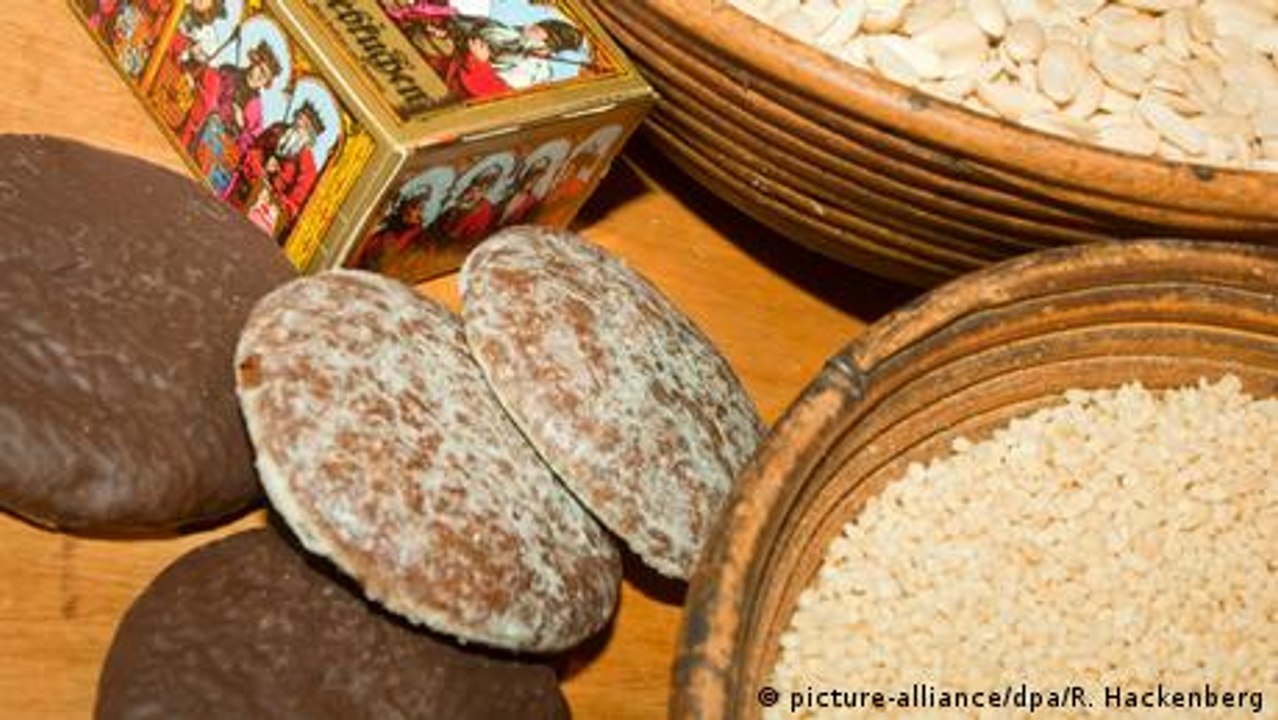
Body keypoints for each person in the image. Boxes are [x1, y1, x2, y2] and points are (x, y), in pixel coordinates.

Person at [228, 101, 324, 234]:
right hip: (243, 190)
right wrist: (261, 170)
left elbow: (294, 204)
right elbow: (254, 151)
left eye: (305, 125)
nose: (298, 124)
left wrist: (272, 196)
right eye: (298, 118)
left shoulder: (308, 164)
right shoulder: (277, 130)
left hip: (263, 214)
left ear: (309, 136)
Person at [179, 40, 281, 158]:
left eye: (266, 78)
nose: (260, 78)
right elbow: (205, 83)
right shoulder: (228, 72)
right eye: (261, 70)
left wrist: (241, 124)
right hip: (198, 124)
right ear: (254, 61)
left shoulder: (256, 107)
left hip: (219, 148)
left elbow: (252, 140)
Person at [445, 17, 584, 98]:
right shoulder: (509, 33)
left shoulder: (533, 72)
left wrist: (480, 63)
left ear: (545, 50)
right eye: (532, 27)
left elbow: (498, 95)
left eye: (534, 32)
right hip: (449, 71)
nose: (524, 29)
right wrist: (449, 32)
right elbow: (467, 26)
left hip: (459, 96)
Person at [353, 187, 441, 279]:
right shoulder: (384, 230)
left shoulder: (421, 239)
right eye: (408, 205)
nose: (408, 210)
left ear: (421, 216)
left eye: (415, 208)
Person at [431, 166, 500, 245]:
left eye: (479, 191)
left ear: (485, 192)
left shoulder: (483, 206)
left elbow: (466, 227)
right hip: (449, 232)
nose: (474, 193)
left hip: (461, 239)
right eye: (472, 190)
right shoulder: (464, 198)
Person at [499, 156, 550, 225]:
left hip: (511, 228)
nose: (537, 164)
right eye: (538, 162)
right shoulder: (514, 186)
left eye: (540, 163)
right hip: (518, 194)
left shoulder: (532, 199)